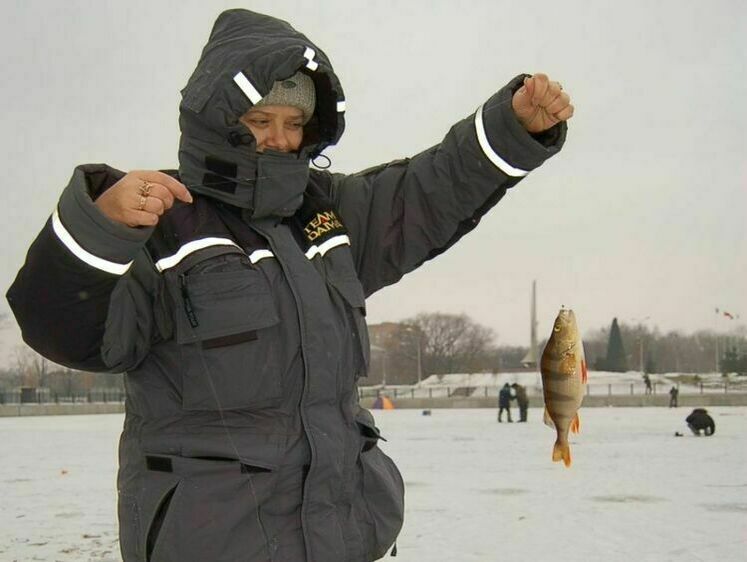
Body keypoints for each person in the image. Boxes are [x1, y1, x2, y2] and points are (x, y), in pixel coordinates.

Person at [6, 9, 572, 562]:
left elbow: (428, 190)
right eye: (260, 121)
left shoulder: (327, 213)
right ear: (219, 121)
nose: (279, 138)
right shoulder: (164, 222)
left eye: (295, 123)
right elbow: (64, 330)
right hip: (216, 542)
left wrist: (513, 128)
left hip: (348, 532)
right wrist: (99, 227)